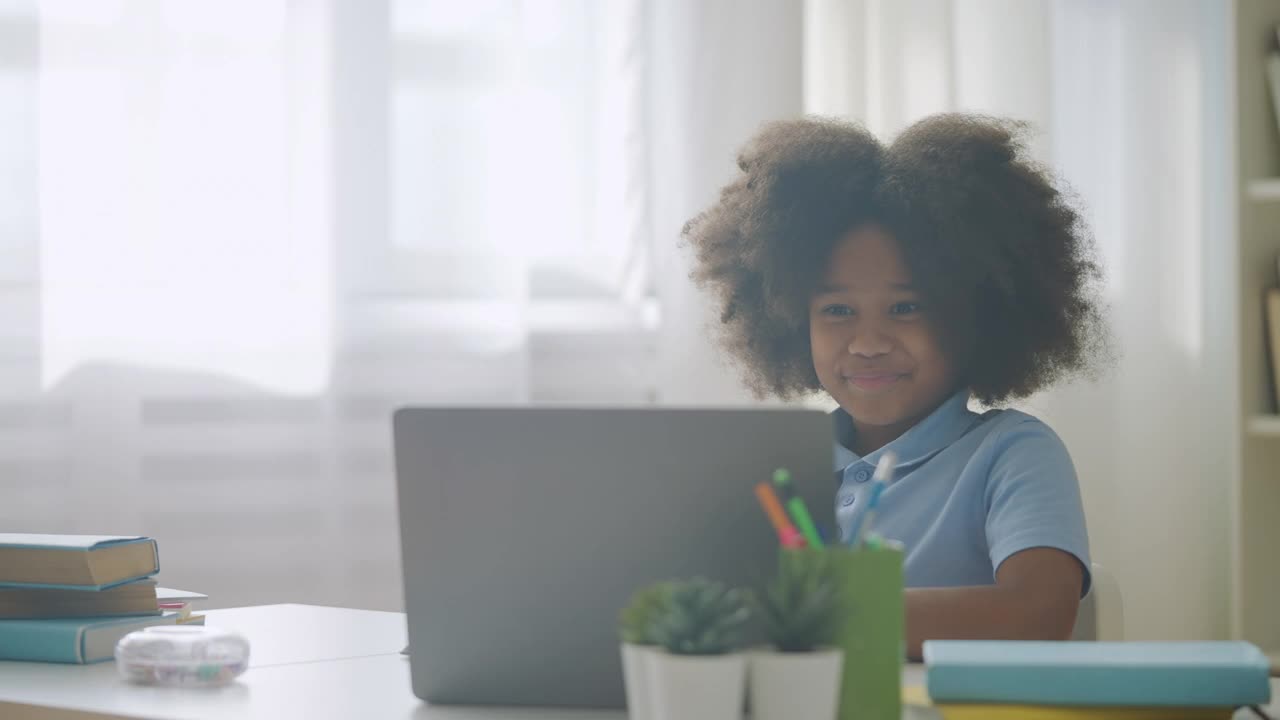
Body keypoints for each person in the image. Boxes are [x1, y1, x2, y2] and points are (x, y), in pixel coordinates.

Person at [682, 114, 1109, 659]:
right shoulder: (780, 471)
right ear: (790, 322)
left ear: (976, 313)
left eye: (905, 307)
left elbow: (1037, 615)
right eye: (837, 310)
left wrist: (815, 617)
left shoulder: (1013, 453)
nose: (867, 342)